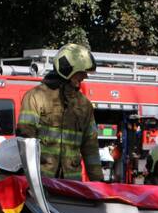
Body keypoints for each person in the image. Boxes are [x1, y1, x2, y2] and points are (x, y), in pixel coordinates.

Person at [15, 43, 103, 181]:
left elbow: (90, 146)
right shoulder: (35, 97)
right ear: (67, 69)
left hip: (72, 183)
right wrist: (29, 180)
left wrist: (99, 183)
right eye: (81, 71)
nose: (85, 76)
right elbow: (26, 139)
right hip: (42, 181)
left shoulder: (84, 105)